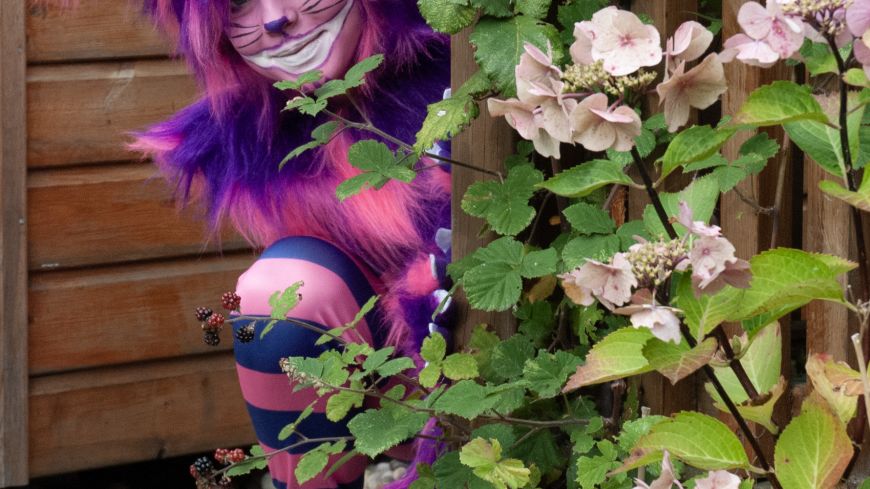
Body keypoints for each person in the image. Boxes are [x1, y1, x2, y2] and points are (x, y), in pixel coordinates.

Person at [131, 1, 452, 488]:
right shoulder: (260, 144)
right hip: (394, 376)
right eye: (239, 3)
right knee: (275, 300)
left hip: (519, 363)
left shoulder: (464, 59)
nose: (275, 17)